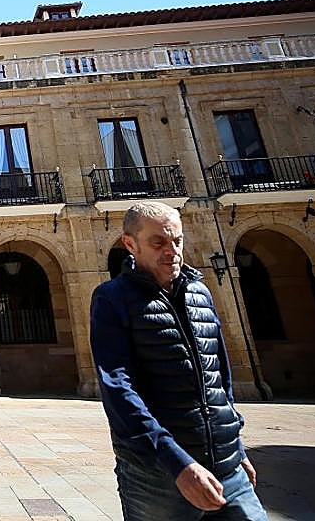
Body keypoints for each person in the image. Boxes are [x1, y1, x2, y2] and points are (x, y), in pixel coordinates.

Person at [90, 201, 266, 521]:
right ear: (130, 244)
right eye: (158, 242)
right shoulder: (112, 298)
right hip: (158, 477)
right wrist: (176, 462)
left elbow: (219, 377)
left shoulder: (200, 292)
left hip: (227, 467)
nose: (171, 251)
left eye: (177, 241)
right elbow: (118, 388)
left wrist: (235, 445)